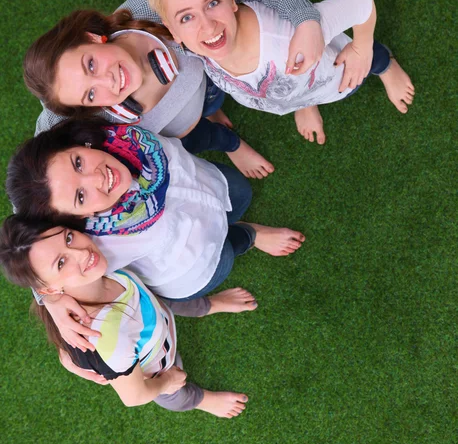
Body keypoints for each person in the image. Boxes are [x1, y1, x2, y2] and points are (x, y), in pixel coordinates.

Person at [7, 119, 305, 350]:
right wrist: (50, 300)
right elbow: (38, 263)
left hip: (209, 185)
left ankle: (241, 227)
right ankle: (250, 235)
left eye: (78, 162)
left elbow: (53, 89)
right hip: (195, 264)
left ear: (75, 143)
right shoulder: (92, 250)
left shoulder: (113, 130)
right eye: (81, 196)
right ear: (73, 219)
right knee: (228, 251)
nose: (98, 177)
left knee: (240, 193)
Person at [145, 0, 415, 144]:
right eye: (187, 17)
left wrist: (361, 48)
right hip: (295, 94)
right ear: (173, 31)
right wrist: (301, 103)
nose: (207, 25)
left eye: (213, 3)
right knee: (294, 89)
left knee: (372, 61)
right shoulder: (194, 48)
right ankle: (305, 104)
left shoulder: (288, 31)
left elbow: (361, 1)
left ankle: (386, 66)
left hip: (341, 72)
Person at [0, 215, 256, 417]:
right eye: (61, 263)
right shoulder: (106, 335)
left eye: (68, 238)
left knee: (171, 300)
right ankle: (203, 400)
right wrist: (166, 382)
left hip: (152, 308)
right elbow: (134, 397)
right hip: (159, 366)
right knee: (174, 396)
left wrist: (51, 303)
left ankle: (210, 305)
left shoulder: (94, 266)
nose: (82, 253)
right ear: (47, 288)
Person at [26, 9, 273, 179]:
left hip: (204, 87)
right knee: (209, 137)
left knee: (213, 99)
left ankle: (212, 110)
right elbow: (36, 160)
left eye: (90, 65)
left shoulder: (147, 15)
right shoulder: (111, 120)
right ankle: (232, 144)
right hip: (181, 135)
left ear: (91, 37)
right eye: (90, 94)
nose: (107, 81)